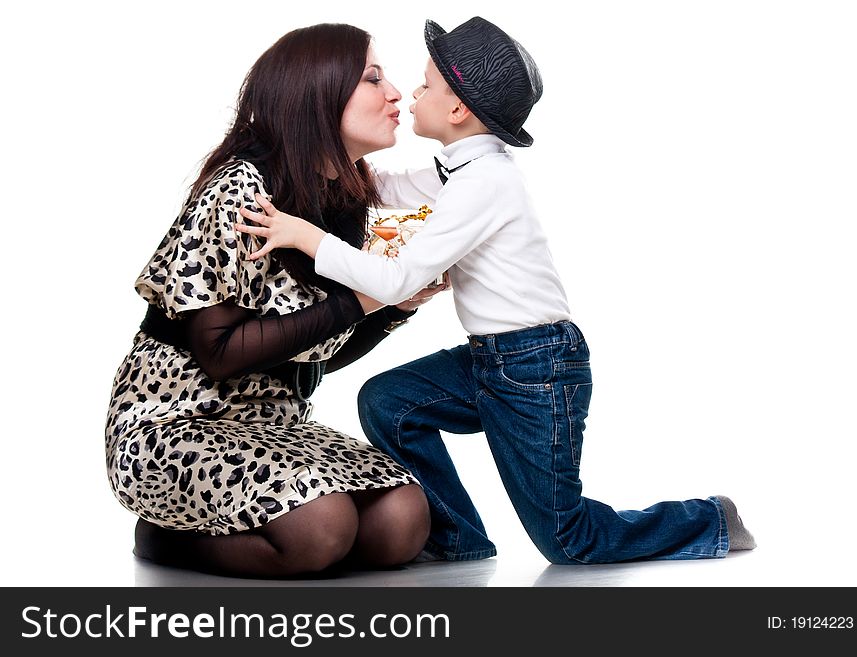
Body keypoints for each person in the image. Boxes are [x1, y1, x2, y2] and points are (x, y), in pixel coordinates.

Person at [235, 17, 756, 564]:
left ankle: (712, 519)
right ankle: (457, 539)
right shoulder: (463, 169)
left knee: (569, 540)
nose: (410, 94)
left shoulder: (485, 183)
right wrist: (322, 159)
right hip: (492, 358)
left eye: (426, 86)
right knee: (389, 402)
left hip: (537, 365)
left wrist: (308, 237)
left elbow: (397, 281)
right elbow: (385, 188)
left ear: (457, 110)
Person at [105, 23, 449, 578]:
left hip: (275, 426)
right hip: (175, 426)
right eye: (372, 77)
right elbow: (221, 353)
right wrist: (367, 297)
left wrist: (396, 309)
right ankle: (164, 537)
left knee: (402, 522)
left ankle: (275, 537)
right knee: (322, 529)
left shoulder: (342, 197)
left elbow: (319, 353)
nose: (394, 93)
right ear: (317, 93)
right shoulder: (241, 188)